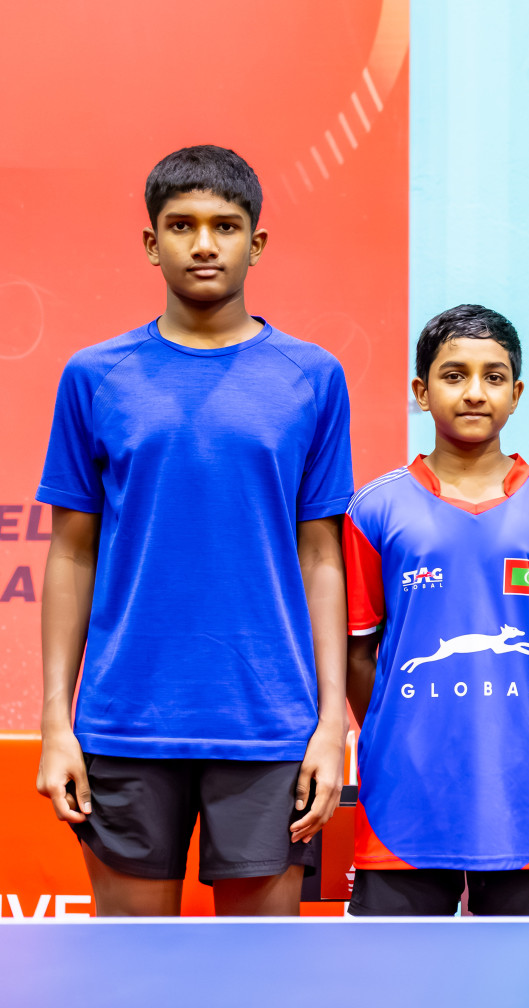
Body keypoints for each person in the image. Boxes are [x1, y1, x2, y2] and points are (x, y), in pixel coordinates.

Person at [33, 145, 352, 915]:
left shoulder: (312, 376)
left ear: (257, 242)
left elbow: (321, 557)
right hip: (122, 723)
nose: (203, 243)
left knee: (256, 987)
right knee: (136, 982)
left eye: (224, 225)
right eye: (181, 225)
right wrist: (55, 719)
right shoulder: (92, 375)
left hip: (272, 727)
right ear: (151, 242)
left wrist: (330, 721)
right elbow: (72, 552)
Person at [342, 304, 529, 916]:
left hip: (527, 796)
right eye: (454, 375)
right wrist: (405, 725)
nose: (475, 392)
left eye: (494, 376)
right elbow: (359, 653)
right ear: (421, 392)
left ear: (517, 393)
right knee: (396, 997)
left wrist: (507, 715)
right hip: (403, 794)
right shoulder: (374, 508)